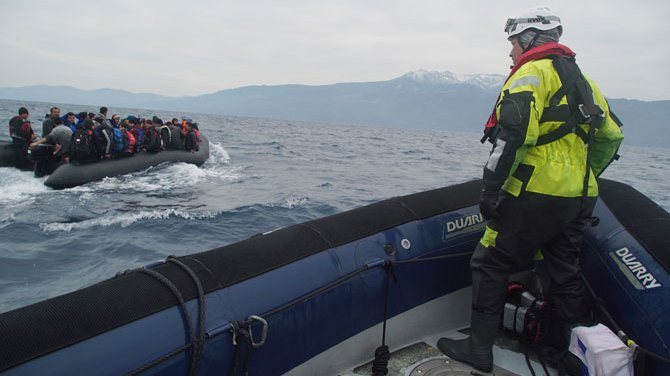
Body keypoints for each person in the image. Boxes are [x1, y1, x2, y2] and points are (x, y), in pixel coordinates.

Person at [437, 7, 624, 373]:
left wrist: (491, 190)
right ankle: (575, 353)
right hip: (579, 196)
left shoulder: (529, 73)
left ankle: (479, 349)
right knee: (564, 271)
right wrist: (584, 178)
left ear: (528, 40)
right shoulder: (586, 82)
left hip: (533, 193)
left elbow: (512, 138)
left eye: (512, 43)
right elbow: (612, 136)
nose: (509, 52)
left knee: (489, 263)